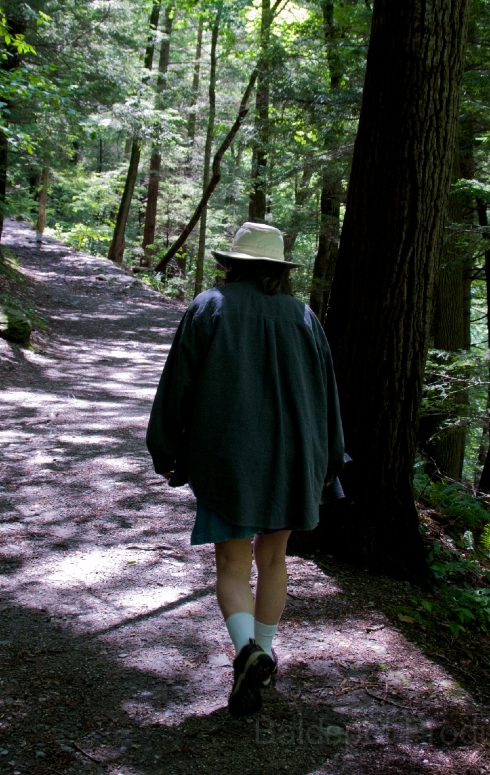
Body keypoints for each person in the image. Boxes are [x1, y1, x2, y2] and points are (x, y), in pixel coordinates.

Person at [146, 222, 345, 717]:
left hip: (228, 457)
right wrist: (332, 457)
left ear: (232, 262)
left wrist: (165, 448)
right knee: (274, 560)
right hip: (295, 456)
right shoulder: (304, 316)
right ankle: (265, 651)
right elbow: (327, 395)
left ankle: (245, 653)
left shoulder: (209, 306)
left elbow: (178, 385)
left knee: (233, 565)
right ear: (278, 268)